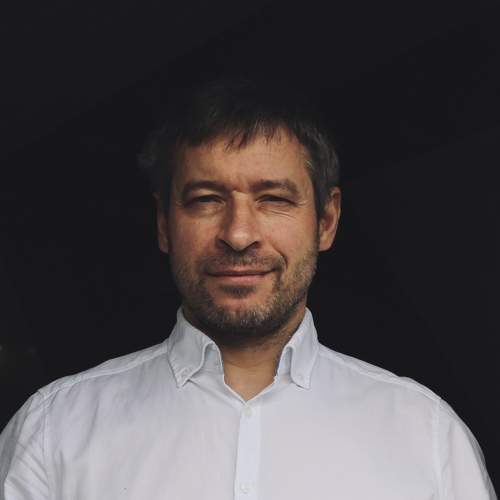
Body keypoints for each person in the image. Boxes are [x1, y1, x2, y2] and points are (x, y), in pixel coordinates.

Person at [0, 79, 496, 500]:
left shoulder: (428, 437)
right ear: (164, 224)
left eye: (273, 198)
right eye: (206, 200)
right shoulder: (54, 432)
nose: (238, 235)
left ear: (326, 221)